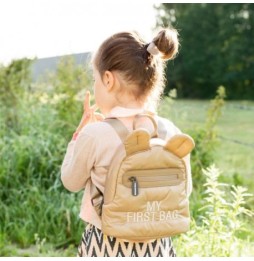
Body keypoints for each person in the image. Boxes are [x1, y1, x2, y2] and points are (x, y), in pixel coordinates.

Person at [60, 28, 192, 257]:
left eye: (96, 79)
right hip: (158, 246)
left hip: (105, 245)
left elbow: (70, 181)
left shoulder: (95, 134)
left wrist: (77, 136)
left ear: (108, 79)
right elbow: (185, 190)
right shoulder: (171, 132)